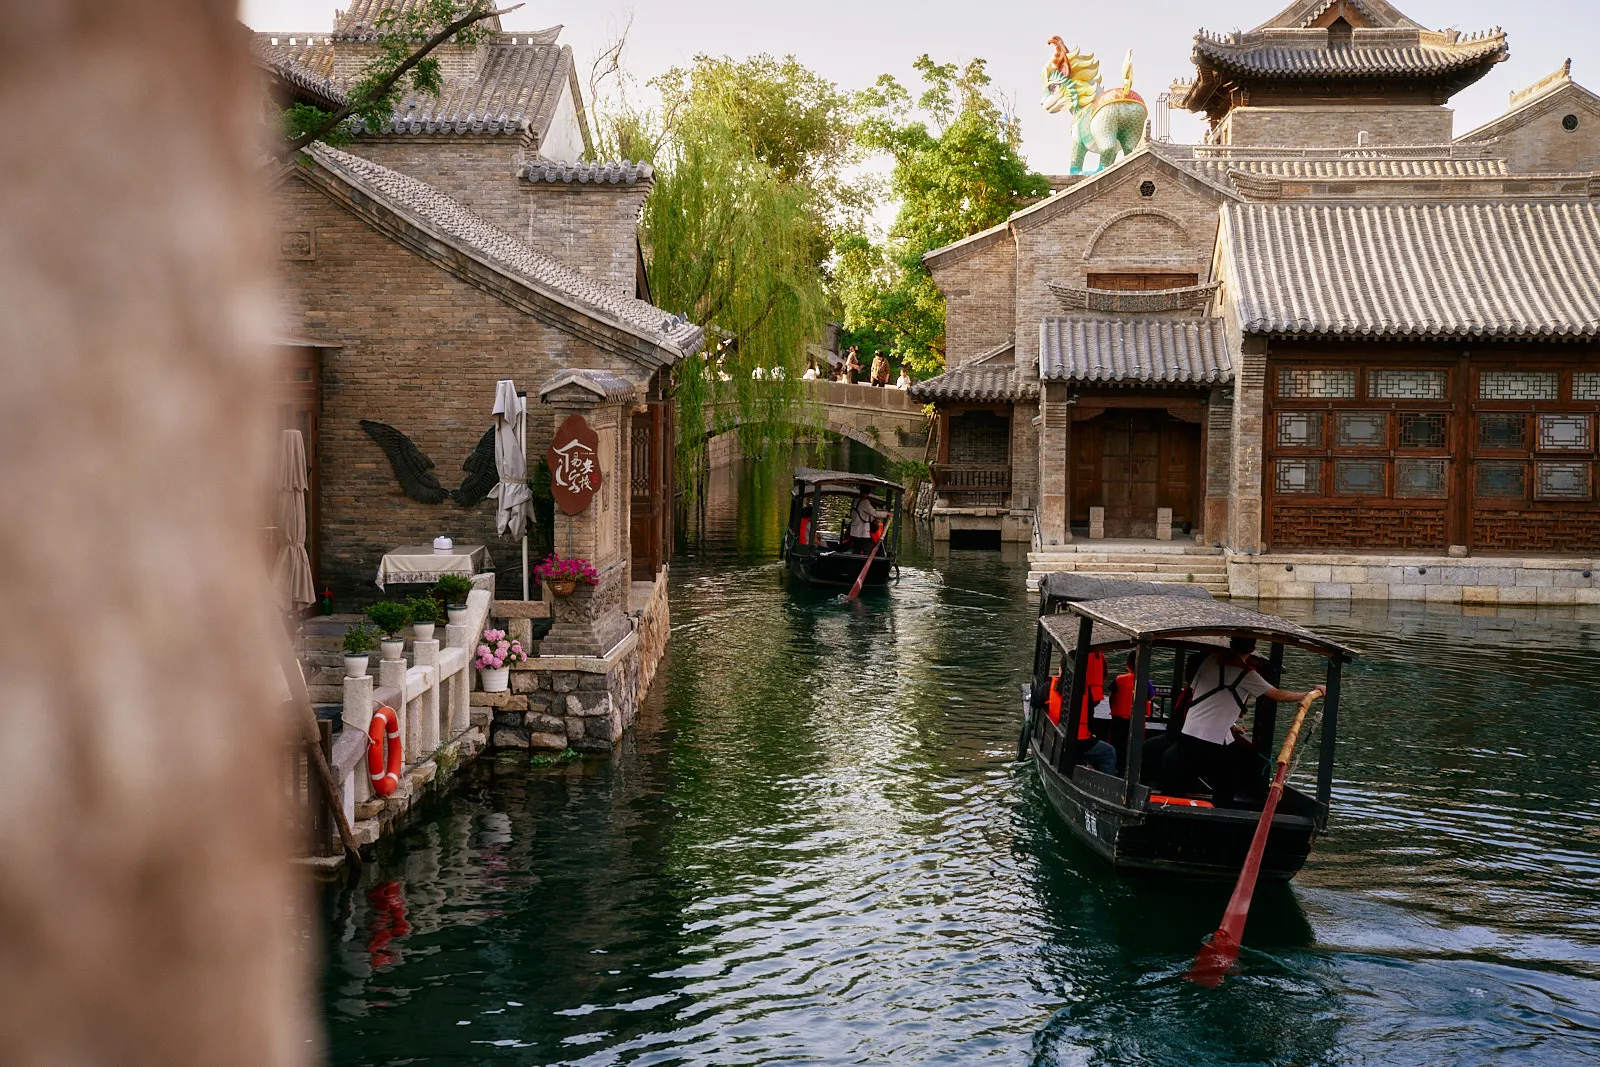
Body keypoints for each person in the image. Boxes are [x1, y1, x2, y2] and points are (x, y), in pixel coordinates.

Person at [1162, 637, 1324, 807]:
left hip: (1188, 736)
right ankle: (1222, 811)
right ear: (1252, 650)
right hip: (1213, 744)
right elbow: (1278, 695)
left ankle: (1171, 803)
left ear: (1230, 645)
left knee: (1177, 765)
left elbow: (1199, 694)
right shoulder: (1247, 674)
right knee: (1228, 778)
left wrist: (1230, 726)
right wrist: (1310, 693)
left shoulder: (1209, 661)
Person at [1045, 651, 1115, 775]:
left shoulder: (1050, 686)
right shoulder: (1085, 690)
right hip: (1079, 742)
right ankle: (1107, 783)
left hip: (1056, 739)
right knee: (1109, 752)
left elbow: (1035, 700)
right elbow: (1090, 718)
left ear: (1061, 669)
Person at [1106, 650, 1154, 766]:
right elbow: (1151, 696)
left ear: (1127, 664)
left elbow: (1111, 697)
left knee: (1115, 744)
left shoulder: (1118, 679)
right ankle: (1132, 767)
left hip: (1118, 718)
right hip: (1137, 720)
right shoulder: (1146, 682)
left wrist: (1113, 708)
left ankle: (1115, 766)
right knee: (1134, 745)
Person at [844, 484, 890, 552]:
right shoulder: (865, 502)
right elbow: (874, 513)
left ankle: (856, 559)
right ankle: (866, 561)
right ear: (868, 493)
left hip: (854, 532)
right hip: (862, 533)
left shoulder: (855, 500)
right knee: (867, 550)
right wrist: (887, 514)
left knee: (856, 549)